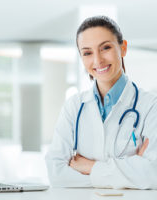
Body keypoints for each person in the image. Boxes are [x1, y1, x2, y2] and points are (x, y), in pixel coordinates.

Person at [45, 15, 157, 189]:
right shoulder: (74, 107)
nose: (97, 60)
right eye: (88, 52)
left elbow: (153, 174)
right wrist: (130, 175)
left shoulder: (150, 106)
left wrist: (90, 167)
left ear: (123, 48)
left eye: (105, 48)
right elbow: (56, 174)